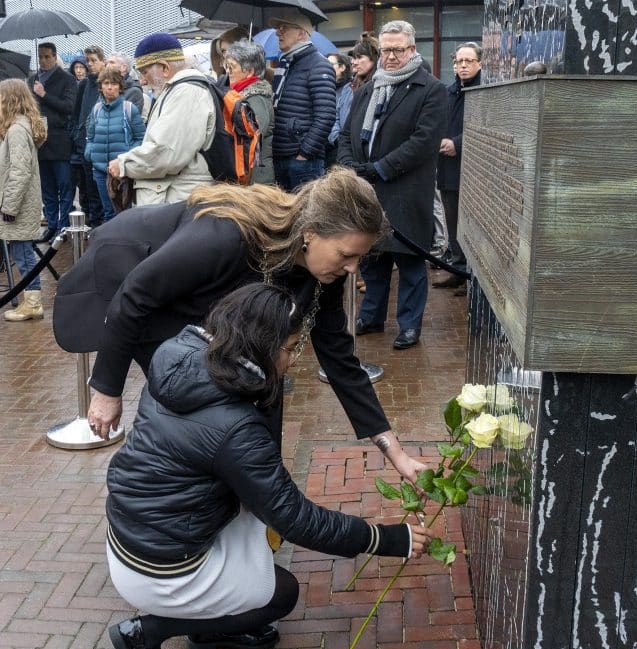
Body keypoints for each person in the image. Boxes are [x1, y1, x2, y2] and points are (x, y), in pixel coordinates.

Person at [104, 283, 432, 649]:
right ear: (260, 346)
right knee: (279, 596)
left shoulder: (179, 354)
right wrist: (387, 539)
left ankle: (209, 632)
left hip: (129, 535)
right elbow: (295, 518)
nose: (293, 361)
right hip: (161, 566)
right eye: (291, 348)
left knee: (262, 531)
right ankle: (146, 632)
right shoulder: (234, 425)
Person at [54, 167, 426, 487]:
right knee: (190, 404)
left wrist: (394, 451)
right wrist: (106, 389)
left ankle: (254, 506)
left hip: (200, 311)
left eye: (360, 257)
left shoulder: (322, 272)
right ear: (310, 232)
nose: (353, 269)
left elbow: (341, 363)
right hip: (142, 291)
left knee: (260, 387)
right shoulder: (227, 236)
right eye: (347, 255)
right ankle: (177, 514)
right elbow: (135, 295)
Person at [338, 20, 446, 350]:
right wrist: (349, 166)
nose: (391, 57)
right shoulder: (368, 88)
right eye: (385, 50)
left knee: (411, 264)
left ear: (412, 50)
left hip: (406, 192)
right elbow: (346, 134)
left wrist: (380, 168)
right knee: (372, 261)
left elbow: (423, 141)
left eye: (398, 50)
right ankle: (371, 316)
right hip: (368, 191)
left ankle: (409, 325)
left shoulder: (430, 89)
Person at [108, 33, 215, 205]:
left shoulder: (186, 92)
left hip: (177, 202)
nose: (142, 81)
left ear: (165, 68)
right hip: (173, 200)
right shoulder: (178, 90)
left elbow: (165, 152)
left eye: (145, 72)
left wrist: (123, 164)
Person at [433, 42, 482, 296]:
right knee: (452, 222)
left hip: (473, 169)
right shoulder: (448, 91)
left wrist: (457, 144)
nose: (462, 66)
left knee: (472, 224)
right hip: (447, 168)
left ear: (479, 63)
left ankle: (472, 275)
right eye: (458, 62)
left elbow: (485, 127)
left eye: (468, 61)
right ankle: (457, 270)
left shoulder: (485, 89)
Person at [269, 9, 335, 191]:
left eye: (284, 28)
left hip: (303, 162)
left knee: (306, 217)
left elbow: (327, 115)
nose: (277, 32)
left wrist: (304, 154)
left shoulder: (318, 65)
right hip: (282, 157)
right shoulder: (285, 64)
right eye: (278, 28)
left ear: (301, 33)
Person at [0, 80, 47, 322]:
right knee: (22, 250)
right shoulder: (20, 126)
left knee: (23, 252)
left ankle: (32, 302)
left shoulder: (17, 130)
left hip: (19, 203)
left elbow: (19, 170)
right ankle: (31, 300)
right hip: (22, 201)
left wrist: (9, 205)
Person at [28, 42, 77, 239]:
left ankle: (63, 226)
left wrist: (44, 94)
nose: (43, 60)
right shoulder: (32, 79)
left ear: (55, 56)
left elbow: (68, 107)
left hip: (60, 141)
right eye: (40, 57)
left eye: (47, 56)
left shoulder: (67, 79)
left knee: (64, 186)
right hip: (40, 142)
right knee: (47, 188)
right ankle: (52, 224)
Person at [84, 67, 146, 222]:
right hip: (100, 169)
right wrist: (90, 152)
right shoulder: (97, 109)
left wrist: (126, 157)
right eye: (106, 83)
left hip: (121, 171)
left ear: (120, 86)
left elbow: (141, 138)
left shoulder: (128, 109)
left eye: (113, 83)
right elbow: (90, 135)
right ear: (100, 87)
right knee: (108, 213)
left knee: (124, 213)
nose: (109, 87)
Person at [223, 39, 275, 185]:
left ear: (249, 71)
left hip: (256, 180)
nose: (227, 72)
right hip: (248, 175)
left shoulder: (256, 97)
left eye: (232, 67)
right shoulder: (237, 95)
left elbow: (252, 134)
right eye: (227, 67)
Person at [69, 44, 108, 226]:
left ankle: (105, 224)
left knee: (105, 190)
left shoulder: (108, 83)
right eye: (88, 61)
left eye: (94, 60)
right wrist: (76, 135)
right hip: (85, 145)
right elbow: (76, 113)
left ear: (103, 61)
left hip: (104, 145)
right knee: (89, 189)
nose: (90, 64)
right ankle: (94, 223)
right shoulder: (84, 84)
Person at [325, 51, 353, 168]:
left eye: (330, 64)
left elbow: (344, 121)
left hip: (339, 148)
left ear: (342, 67)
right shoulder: (326, 87)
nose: (326, 68)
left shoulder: (349, 89)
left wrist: (337, 139)